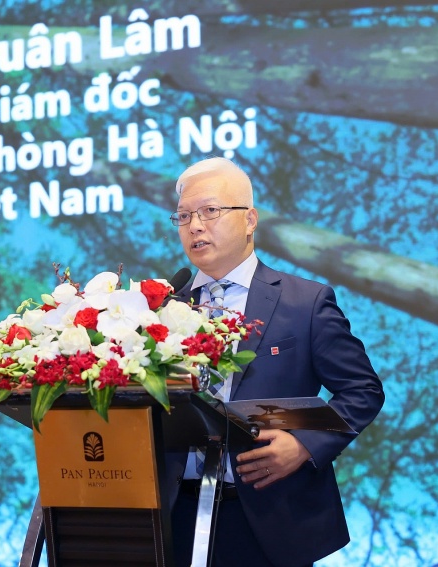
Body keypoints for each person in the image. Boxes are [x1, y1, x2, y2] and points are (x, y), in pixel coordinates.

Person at [167, 157, 385, 567]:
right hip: (174, 512)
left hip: (270, 516)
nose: (195, 225)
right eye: (183, 216)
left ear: (249, 220)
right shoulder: (160, 307)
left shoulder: (305, 301)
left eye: (210, 211)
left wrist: (305, 444)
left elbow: (362, 391)